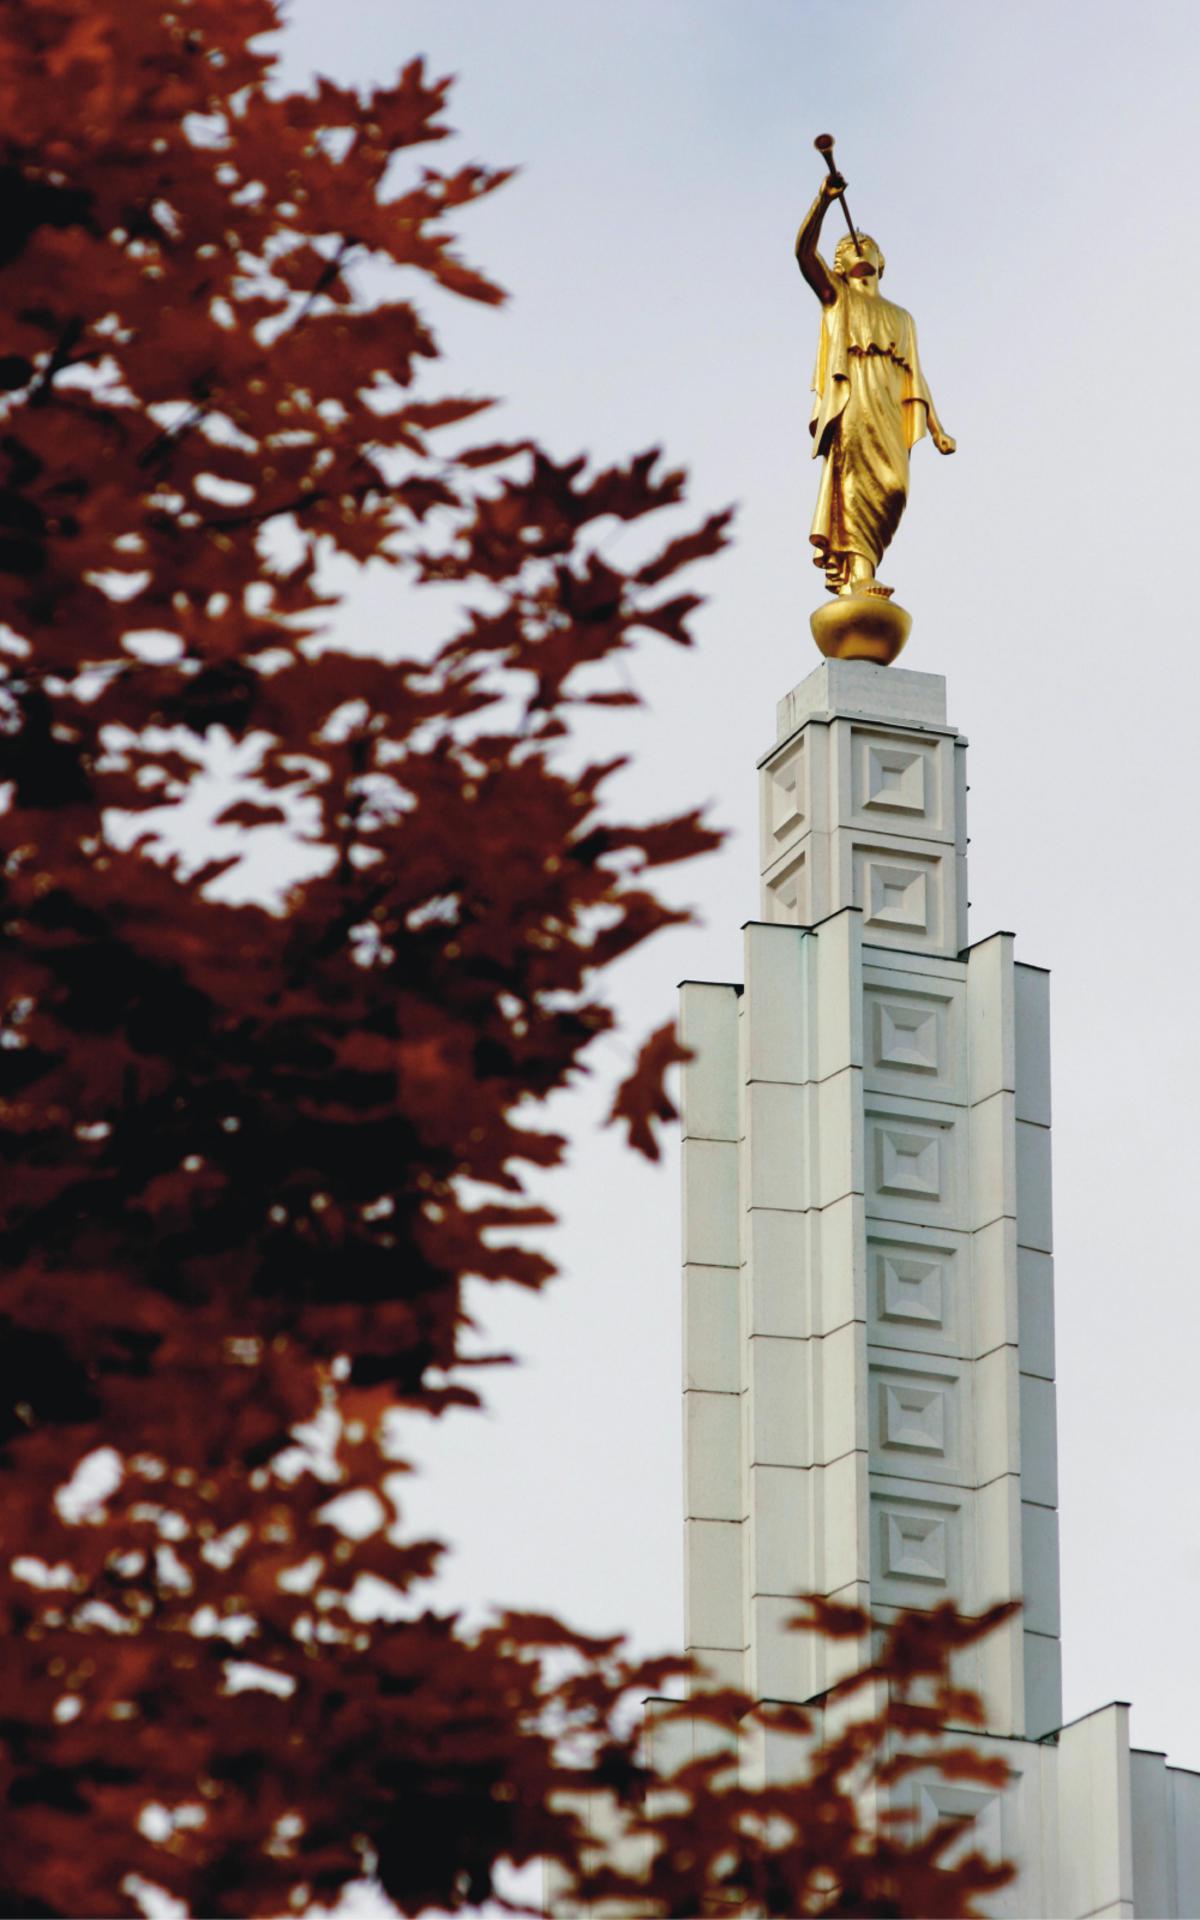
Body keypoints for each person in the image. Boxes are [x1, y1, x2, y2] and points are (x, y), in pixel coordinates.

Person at [796, 169, 955, 598]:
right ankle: (860, 573)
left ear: (882, 261)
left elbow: (914, 374)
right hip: (854, 400)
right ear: (840, 265)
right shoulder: (837, 297)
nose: (857, 247)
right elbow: (803, 253)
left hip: (888, 404)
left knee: (894, 487)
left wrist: (937, 429)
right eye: (847, 246)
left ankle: (866, 564)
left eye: (865, 245)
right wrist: (824, 201)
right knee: (854, 482)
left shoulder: (902, 317)